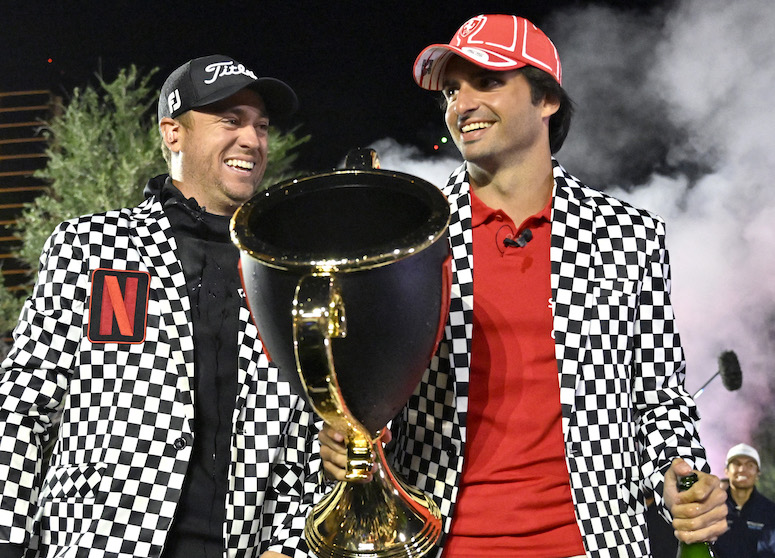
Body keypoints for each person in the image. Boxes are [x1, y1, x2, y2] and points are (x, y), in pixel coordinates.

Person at [318, 14, 728, 557]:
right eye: (451, 90)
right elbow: (358, 387)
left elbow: (658, 395)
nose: (462, 105)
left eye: (487, 82)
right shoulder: (409, 237)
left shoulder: (630, 235)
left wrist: (680, 468)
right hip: (434, 544)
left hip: (592, 545)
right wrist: (344, 433)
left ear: (546, 99)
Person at [0, 55, 322, 558]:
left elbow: (306, 441)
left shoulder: (289, 269)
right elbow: (21, 408)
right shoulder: (92, 246)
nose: (252, 141)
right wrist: (8, 541)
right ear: (174, 133)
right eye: (230, 121)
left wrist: (290, 546)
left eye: (261, 126)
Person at [714, 443, 775, 557]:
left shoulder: (770, 511)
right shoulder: (712, 507)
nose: (742, 469)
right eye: (736, 464)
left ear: (758, 473)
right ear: (726, 471)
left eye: (750, 465)